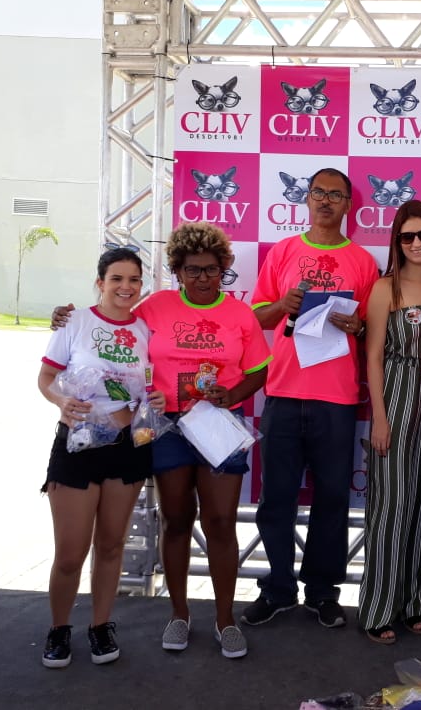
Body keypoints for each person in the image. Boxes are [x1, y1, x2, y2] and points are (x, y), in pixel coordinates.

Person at [52, 224, 271, 659]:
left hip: (218, 423)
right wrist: (66, 317)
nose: (203, 278)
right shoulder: (154, 307)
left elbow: (259, 370)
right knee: (176, 519)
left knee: (221, 521)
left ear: (224, 269)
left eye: (212, 269)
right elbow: (111, 320)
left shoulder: (240, 314)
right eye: (193, 270)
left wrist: (232, 395)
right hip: (165, 425)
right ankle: (179, 614)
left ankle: (225, 620)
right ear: (177, 271)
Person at [243, 168, 378, 629]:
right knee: (276, 499)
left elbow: (371, 328)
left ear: (348, 205)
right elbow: (256, 318)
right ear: (306, 199)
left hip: (337, 398)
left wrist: (357, 326)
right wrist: (282, 306)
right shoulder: (283, 251)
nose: (325, 201)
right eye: (318, 192)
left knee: (333, 499)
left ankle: (322, 591)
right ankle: (278, 589)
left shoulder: (362, 261)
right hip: (282, 391)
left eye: (335, 195)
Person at [37, 246, 152, 668]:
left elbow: (150, 386)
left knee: (110, 545)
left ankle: (101, 626)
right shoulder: (74, 321)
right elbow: (46, 377)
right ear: (100, 283)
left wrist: (151, 404)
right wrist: (60, 401)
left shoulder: (147, 328)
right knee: (71, 553)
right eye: (116, 279)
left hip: (128, 446)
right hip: (78, 445)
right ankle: (59, 629)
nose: (126, 287)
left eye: (134, 279)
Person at [357, 201, 421, 645]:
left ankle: (416, 601)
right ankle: (379, 607)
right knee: (392, 506)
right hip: (397, 396)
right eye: (407, 236)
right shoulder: (384, 288)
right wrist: (380, 417)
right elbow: (373, 356)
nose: (416, 243)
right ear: (396, 241)